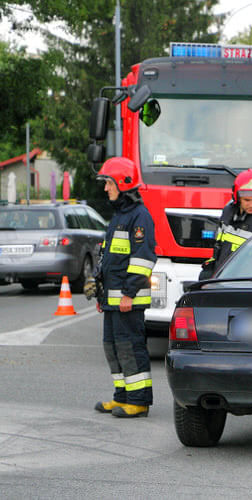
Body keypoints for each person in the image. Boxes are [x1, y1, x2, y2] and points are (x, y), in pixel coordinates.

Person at [87, 157, 156, 418]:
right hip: (113, 299)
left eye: (108, 183)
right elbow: (109, 255)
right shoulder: (120, 215)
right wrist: (100, 289)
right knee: (113, 346)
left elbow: (143, 259)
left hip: (128, 299)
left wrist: (129, 293)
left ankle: (138, 401)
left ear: (123, 184)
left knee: (130, 347)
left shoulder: (140, 217)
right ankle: (122, 397)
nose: (106, 188)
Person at [198, 168, 252, 280]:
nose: (251, 205)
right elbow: (220, 245)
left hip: (244, 280)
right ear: (238, 198)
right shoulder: (228, 212)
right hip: (221, 274)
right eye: (247, 200)